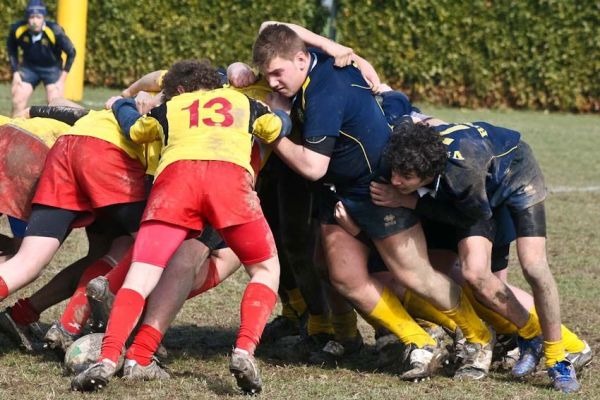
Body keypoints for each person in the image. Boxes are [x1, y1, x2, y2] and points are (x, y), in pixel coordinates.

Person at [252, 22, 495, 381]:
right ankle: (420, 341)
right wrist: (334, 45)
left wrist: (272, 131)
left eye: (276, 73)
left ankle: (480, 337)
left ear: (301, 59)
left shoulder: (325, 93)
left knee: (415, 275)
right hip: (341, 190)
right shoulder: (318, 60)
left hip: (377, 189)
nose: (272, 82)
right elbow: (270, 27)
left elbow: (313, 166)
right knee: (343, 275)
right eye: (265, 74)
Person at [71, 59, 290, 394]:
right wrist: (284, 116)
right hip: (228, 183)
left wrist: (122, 104)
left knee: (140, 277)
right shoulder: (243, 102)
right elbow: (275, 129)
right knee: (265, 269)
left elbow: (134, 128)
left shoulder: (170, 107)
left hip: (175, 185)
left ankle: (108, 357)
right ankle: (244, 350)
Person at [381, 111, 584, 393]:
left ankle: (557, 357)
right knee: (475, 275)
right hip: (481, 184)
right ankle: (530, 335)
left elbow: (473, 215)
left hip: (518, 175)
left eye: (405, 177)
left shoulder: (463, 172)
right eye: (394, 172)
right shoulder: (413, 146)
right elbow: (414, 117)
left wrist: (412, 203)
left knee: (534, 267)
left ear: (430, 174)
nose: (395, 181)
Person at [6, 0, 76, 117]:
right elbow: (11, 50)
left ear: (44, 17)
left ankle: (54, 134)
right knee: (18, 98)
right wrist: (16, 72)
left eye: (38, 17)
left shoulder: (55, 30)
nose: (34, 21)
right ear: (27, 18)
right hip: (29, 68)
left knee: (55, 105)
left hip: (52, 69)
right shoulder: (17, 29)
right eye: (31, 17)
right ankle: (12, 130)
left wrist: (61, 80)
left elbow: (72, 52)